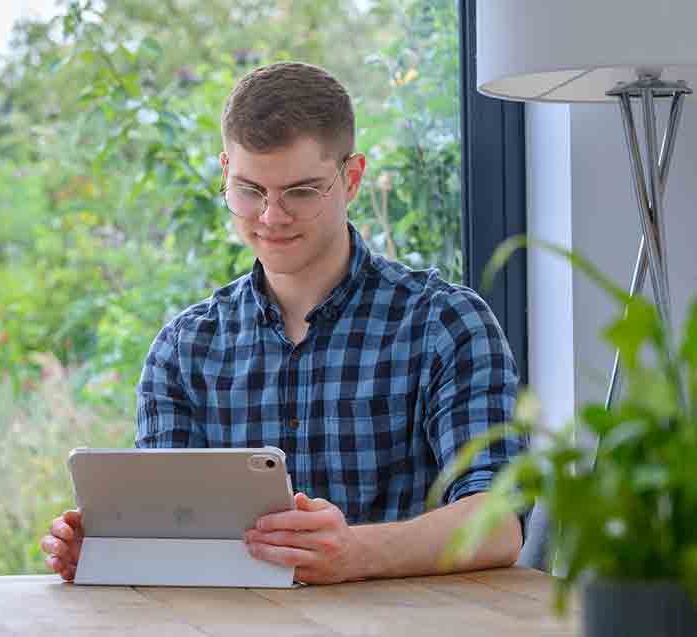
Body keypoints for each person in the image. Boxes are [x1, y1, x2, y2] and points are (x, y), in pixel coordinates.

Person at [41, 61, 527, 585]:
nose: (272, 217)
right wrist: (113, 547)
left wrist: (354, 553)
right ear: (225, 173)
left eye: (301, 192)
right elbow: (168, 532)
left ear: (352, 178)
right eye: (250, 191)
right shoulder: (184, 348)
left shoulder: (445, 324)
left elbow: (499, 522)